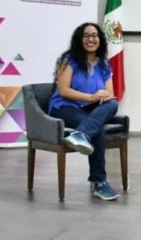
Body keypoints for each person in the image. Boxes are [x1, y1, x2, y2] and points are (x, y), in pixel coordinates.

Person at [48, 22, 120, 200]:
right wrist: (92, 97)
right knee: (98, 130)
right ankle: (100, 182)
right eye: (86, 36)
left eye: (94, 35)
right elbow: (63, 90)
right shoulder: (69, 60)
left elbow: (109, 94)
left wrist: (103, 96)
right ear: (80, 40)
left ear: (100, 39)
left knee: (112, 104)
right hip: (65, 106)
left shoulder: (104, 64)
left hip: (90, 108)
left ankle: (81, 134)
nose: (91, 39)